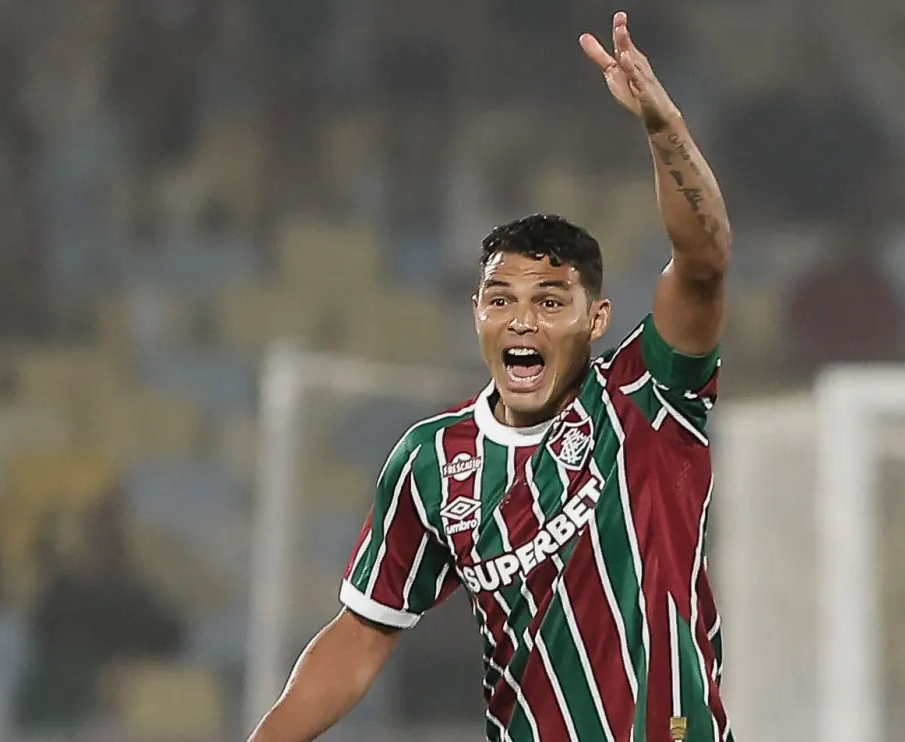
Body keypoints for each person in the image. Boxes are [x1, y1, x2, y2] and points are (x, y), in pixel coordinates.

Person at [248, 12, 733, 742]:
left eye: (551, 302)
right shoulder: (433, 462)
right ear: (476, 313)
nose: (523, 322)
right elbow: (361, 636)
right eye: (502, 301)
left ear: (597, 320)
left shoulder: (647, 399)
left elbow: (704, 262)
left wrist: (665, 132)